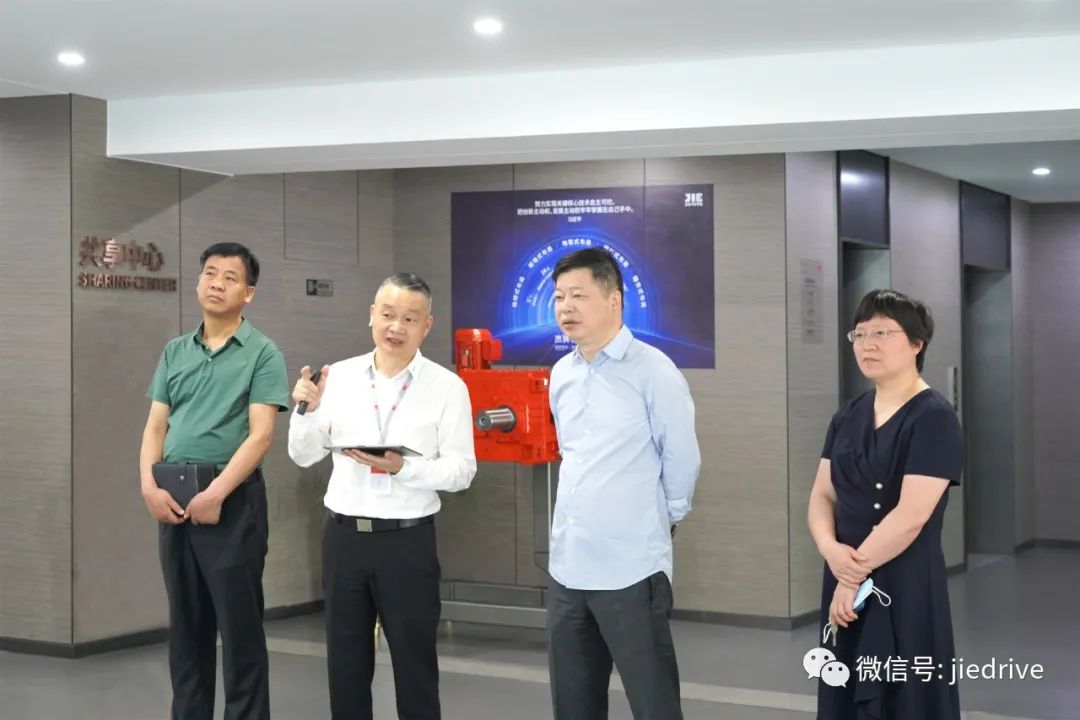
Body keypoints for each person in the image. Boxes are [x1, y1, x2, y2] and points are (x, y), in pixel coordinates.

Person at [288, 272, 476, 720]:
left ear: (427, 326)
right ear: (372, 314)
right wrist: (305, 413)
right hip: (344, 539)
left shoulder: (447, 386)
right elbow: (303, 456)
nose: (396, 327)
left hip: (407, 542)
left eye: (410, 318)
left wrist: (404, 468)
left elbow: (461, 471)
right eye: (388, 314)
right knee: (346, 666)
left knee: (415, 666)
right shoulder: (339, 376)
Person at [545, 248, 701, 720]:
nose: (566, 307)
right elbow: (572, 455)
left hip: (631, 568)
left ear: (614, 300)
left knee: (653, 704)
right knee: (573, 704)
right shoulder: (562, 373)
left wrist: (663, 519)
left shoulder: (653, 369)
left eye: (578, 295)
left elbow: (681, 457)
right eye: (559, 297)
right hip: (569, 567)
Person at [140, 242, 290, 720]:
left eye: (230, 277)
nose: (217, 284)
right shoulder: (175, 351)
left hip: (233, 503)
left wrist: (217, 492)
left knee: (240, 630)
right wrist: (148, 486)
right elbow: (155, 427)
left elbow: (261, 436)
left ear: (249, 293)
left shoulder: (263, 353)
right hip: (173, 498)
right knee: (186, 630)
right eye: (210, 273)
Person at [808, 289, 963, 720]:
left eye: (882, 333)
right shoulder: (848, 414)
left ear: (916, 343)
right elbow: (822, 494)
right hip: (843, 574)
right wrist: (830, 551)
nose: (868, 344)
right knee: (844, 688)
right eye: (859, 334)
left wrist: (851, 575)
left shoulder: (934, 418)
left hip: (903, 582)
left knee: (905, 697)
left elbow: (911, 517)